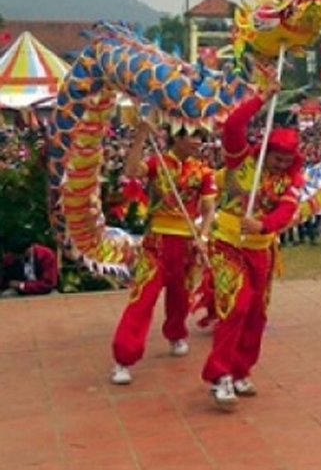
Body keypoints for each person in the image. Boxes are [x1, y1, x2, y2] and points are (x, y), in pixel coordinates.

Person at [201, 88, 302, 409]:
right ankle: (220, 376)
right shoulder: (240, 160)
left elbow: (287, 211)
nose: (282, 162)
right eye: (277, 156)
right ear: (265, 151)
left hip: (261, 250)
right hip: (227, 245)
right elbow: (233, 126)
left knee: (257, 313)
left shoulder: (291, 181)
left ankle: (242, 369)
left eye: (288, 158)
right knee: (238, 304)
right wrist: (263, 97)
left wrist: (264, 225)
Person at [110, 121, 217, 386]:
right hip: (156, 243)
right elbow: (132, 170)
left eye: (200, 137)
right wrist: (141, 135)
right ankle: (123, 358)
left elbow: (208, 209)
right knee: (142, 299)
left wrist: (203, 236)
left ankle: (176, 333)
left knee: (181, 298)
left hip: (188, 244)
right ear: (176, 138)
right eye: (193, 137)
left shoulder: (203, 171)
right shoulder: (158, 164)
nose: (197, 142)